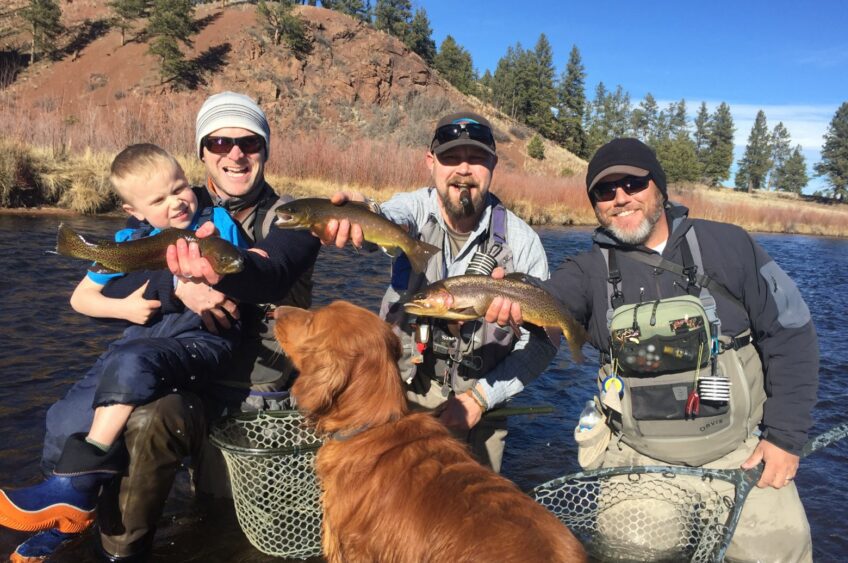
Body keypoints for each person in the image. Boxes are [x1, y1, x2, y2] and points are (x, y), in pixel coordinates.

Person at [9, 92, 321, 562]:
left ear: (266, 148)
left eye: (249, 142)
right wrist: (175, 287)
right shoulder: (174, 204)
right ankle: (86, 524)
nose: (235, 153)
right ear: (202, 152)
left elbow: (268, 269)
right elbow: (110, 287)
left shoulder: (293, 216)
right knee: (79, 413)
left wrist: (215, 278)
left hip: (251, 394)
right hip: (176, 367)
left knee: (225, 511)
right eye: (219, 142)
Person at [485, 138, 818, 561]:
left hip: (741, 454)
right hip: (637, 462)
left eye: (633, 184)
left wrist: (785, 440)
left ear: (659, 187)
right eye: (605, 191)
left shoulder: (730, 247)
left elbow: (791, 333)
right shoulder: (587, 271)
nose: (620, 198)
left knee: (785, 547)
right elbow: (548, 298)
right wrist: (512, 292)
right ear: (595, 206)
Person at [0, 143, 249, 553]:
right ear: (133, 211)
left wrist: (193, 274)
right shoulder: (126, 243)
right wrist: (125, 307)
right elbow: (81, 299)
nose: (176, 202)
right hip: (136, 343)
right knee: (64, 416)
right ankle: (64, 513)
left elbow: (232, 264)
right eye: (158, 199)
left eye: (180, 187)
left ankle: (74, 488)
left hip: (200, 341)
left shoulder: (214, 224)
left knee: (132, 359)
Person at [320, 111, 557, 473]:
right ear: (430, 163)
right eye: (451, 158)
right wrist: (362, 215)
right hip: (397, 395)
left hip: (481, 403)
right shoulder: (412, 210)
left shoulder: (523, 243)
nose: (464, 170)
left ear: (493, 165)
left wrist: (481, 398)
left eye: (476, 159)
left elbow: (546, 341)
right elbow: (388, 217)